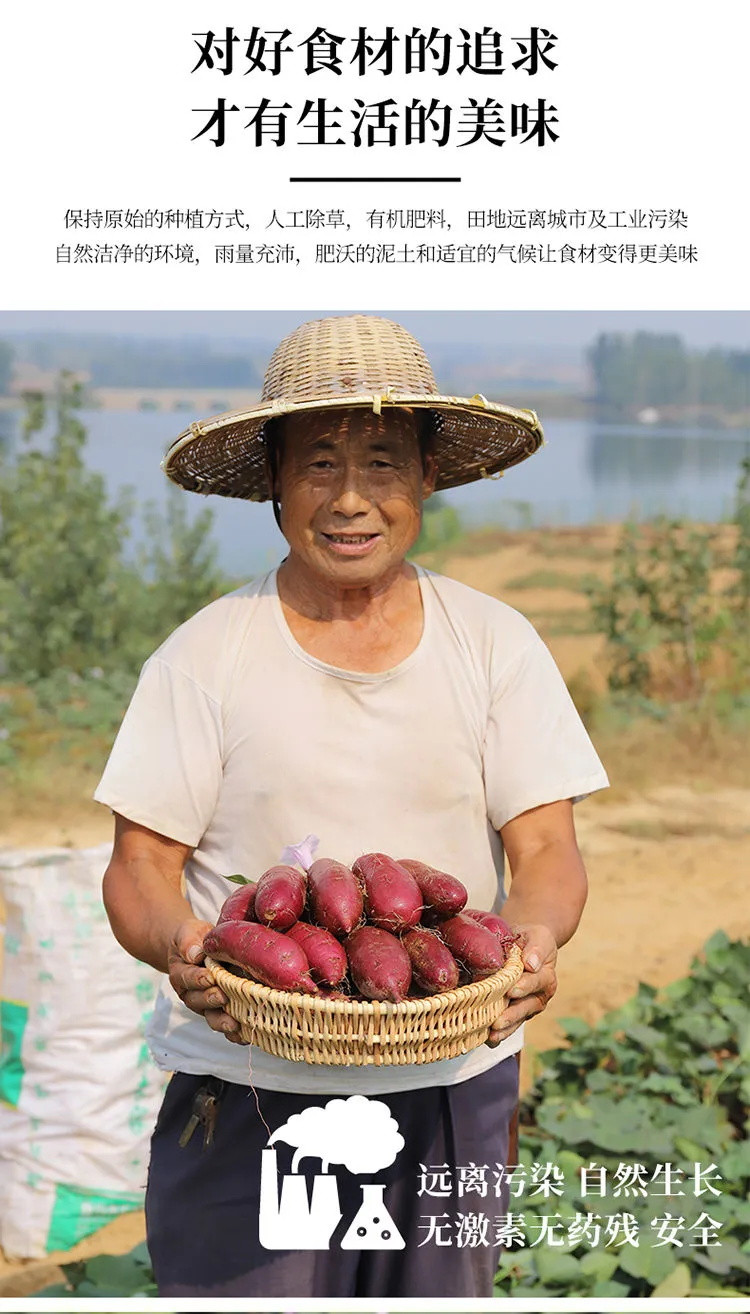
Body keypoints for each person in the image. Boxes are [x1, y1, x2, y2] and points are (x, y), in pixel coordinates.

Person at [96, 315, 608, 1299]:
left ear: (424, 478)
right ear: (275, 483)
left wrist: (536, 934)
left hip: (456, 1079)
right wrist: (181, 947)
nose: (349, 500)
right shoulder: (206, 654)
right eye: (318, 463)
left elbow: (545, 844)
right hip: (247, 1085)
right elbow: (139, 867)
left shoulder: (495, 642)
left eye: (381, 462)